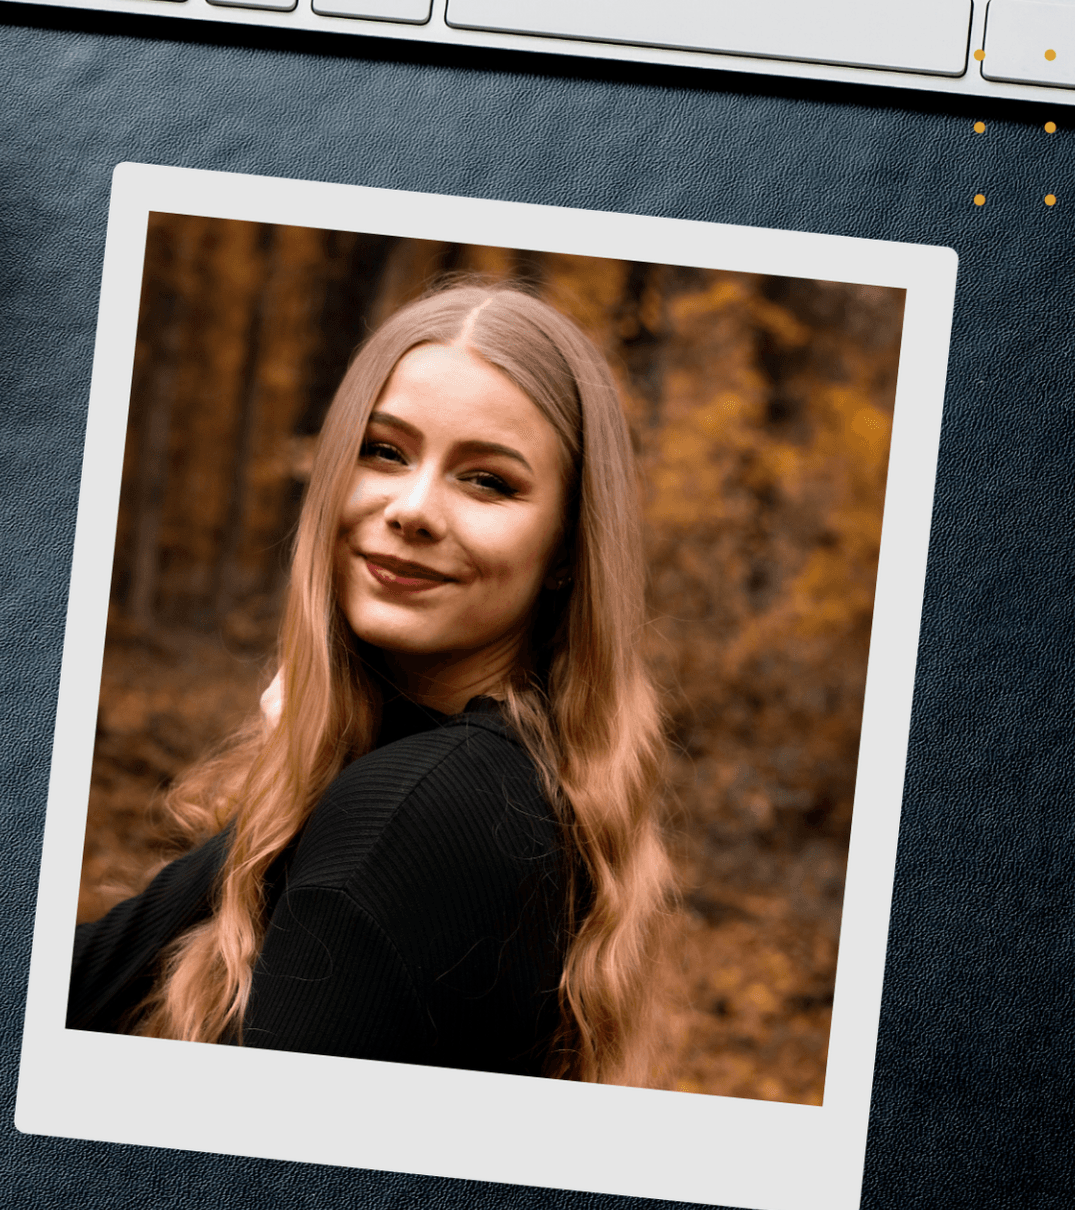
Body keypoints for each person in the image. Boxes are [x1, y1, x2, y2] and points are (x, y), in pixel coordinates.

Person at [69, 280, 678, 1086]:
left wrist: (327, 792)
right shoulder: (492, 777)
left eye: (488, 480)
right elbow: (80, 990)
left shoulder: (414, 809)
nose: (413, 508)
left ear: (567, 550)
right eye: (384, 451)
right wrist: (301, 781)